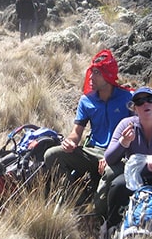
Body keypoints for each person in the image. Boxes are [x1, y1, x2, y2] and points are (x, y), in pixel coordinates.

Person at [44, 49, 132, 211]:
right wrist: (70, 142)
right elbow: (77, 132)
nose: (91, 77)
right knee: (52, 155)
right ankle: (78, 201)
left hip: (118, 153)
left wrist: (113, 155)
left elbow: (136, 133)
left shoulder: (128, 98)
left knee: (110, 172)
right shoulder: (86, 101)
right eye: (91, 72)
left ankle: (97, 212)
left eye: (97, 72)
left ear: (108, 74)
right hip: (92, 151)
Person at [103, 87, 152, 232]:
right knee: (117, 186)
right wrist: (124, 142)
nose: (145, 104)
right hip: (134, 178)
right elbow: (109, 158)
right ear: (134, 108)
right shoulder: (126, 125)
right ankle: (111, 229)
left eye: (150, 99)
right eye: (139, 101)